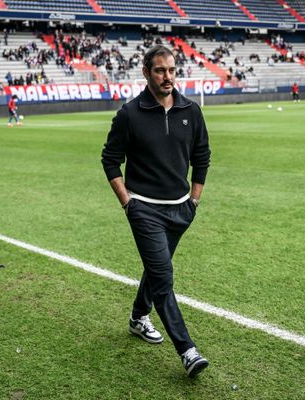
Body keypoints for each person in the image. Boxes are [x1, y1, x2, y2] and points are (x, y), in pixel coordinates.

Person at [101, 45, 211, 378]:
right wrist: (127, 203)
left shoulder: (191, 110)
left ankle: (137, 318)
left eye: (172, 70)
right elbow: (110, 160)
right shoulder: (129, 114)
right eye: (160, 71)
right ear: (147, 73)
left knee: (156, 267)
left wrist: (194, 201)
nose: (168, 77)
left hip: (181, 210)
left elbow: (202, 157)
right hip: (144, 210)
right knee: (163, 278)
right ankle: (187, 350)